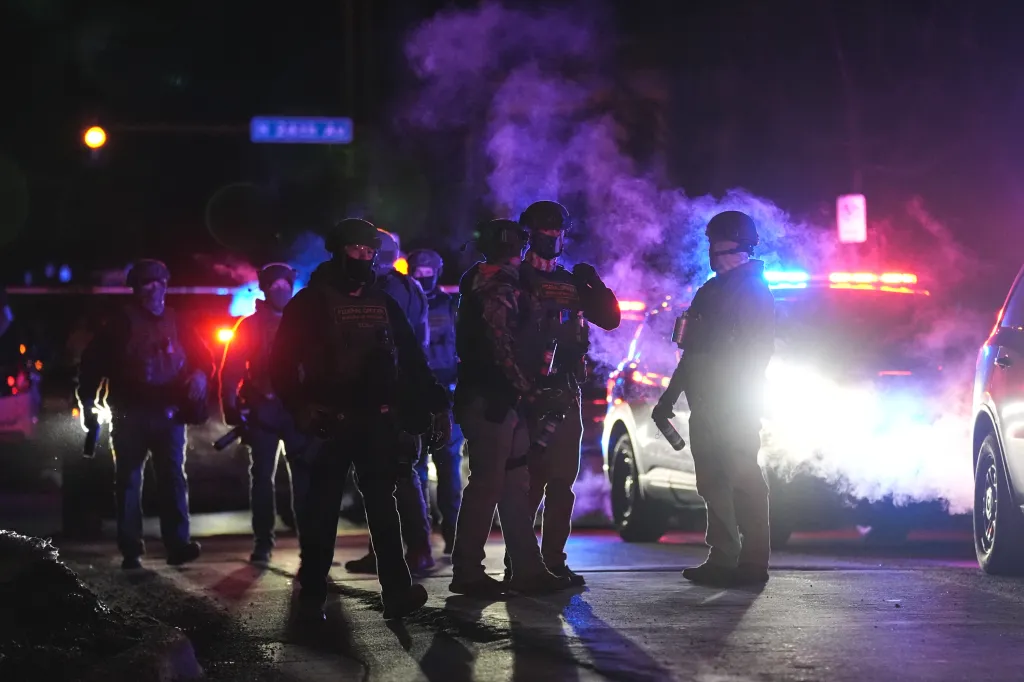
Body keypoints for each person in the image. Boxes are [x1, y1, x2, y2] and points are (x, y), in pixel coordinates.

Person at [270, 218, 451, 621]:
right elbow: (280, 364)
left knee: (384, 512)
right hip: (330, 422)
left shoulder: (383, 301)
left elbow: (412, 359)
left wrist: (435, 404)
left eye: (369, 251)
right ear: (338, 250)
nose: (364, 257)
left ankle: (397, 593)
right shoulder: (311, 302)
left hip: (375, 420)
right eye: (356, 249)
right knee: (322, 510)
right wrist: (300, 406)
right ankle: (313, 592)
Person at [653, 210, 776, 587]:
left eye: (716, 242)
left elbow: (756, 353)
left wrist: (733, 395)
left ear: (734, 243)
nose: (712, 250)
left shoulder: (753, 290)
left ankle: (753, 562)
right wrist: (669, 398)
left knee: (743, 478)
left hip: (733, 405)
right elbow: (690, 353)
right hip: (705, 405)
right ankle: (722, 558)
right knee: (712, 482)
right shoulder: (710, 290)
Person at [450, 218, 571, 598]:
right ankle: (468, 571)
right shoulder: (496, 283)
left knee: (514, 483)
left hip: (501, 399)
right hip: (491, 400)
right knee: (489, 483)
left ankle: (527, 569)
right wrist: (530, 390)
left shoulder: (494, 280)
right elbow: (499, 344)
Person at [77, 259, 213, 570]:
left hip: (170, 414)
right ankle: (131, 550)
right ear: (135, 289)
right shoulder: (120, 324)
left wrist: (201, 375)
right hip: (130, 413)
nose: (151, 289)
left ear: (165, 285)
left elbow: (203, 357)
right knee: (128, 481)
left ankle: (178, 545)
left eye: (156, 282)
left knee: (173, 479)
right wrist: (87, 402)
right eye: (144, 284)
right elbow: (92, 363)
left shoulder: (178, 321)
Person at [511, 201, 620, 587]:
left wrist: (595, 286)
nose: (554, 238)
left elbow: (609, 319)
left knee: (561, 484)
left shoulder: (571, 280)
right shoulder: (516, 278)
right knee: (527, 483)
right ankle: (520, 564)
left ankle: (554, 561)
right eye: (546, 231)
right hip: (527, 394)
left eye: (560, 232)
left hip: (566, 391)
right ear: (529, 235)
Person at [344, 228, 437, 576]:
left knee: (400, 472)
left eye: (363, 250)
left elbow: (395, 345)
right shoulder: (405, 286)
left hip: (393, 391)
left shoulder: (389, 290)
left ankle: (418, 549)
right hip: (395, 389)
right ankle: (386, 550)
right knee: (380, 475)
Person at [219, 263, 303, 564]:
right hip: (264, 412)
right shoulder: (250, 326)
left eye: (285, 284)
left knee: (303, 479)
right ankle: (263, 543)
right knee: (262, 479)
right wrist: (231, 408)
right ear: (264, 288)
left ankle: (309, 546)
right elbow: (231, 370)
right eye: (274, 285)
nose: (280, 289)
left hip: (297, 411)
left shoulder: (305, 323)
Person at [408, 248, 463, 554]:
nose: (424, 277)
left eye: (429, 273)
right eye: (420, 272)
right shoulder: (406, 303)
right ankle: (422, 538)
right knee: (418, 467)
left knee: (446, 467)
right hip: (419, 393)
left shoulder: (451, 305)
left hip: (445, 393)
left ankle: (450, 535)